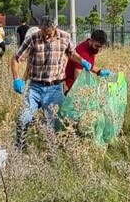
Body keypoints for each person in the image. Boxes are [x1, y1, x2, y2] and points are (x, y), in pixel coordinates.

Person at [10, 16, 94, 149]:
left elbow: (72, 53)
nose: (46, 36)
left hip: (55, 88)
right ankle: (19, 149)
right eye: (43, 32)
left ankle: (51, 153)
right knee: (23, 119)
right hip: (35, 88)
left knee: (52, 125)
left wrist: (82, 61)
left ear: (55, 28)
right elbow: (16, 58)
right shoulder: (33, 38)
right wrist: (16, 79)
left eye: (48, 33)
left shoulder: (65, 37)